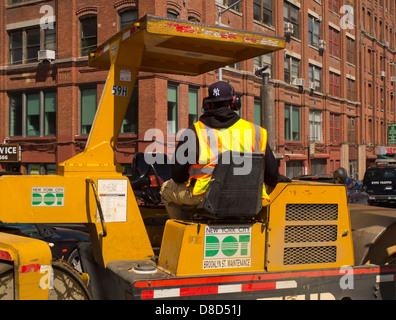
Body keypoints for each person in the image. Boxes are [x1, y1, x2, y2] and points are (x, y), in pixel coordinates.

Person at [160, 81, 279, 219]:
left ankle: (187, 230)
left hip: (206, 198)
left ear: (208, 105)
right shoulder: (257, 132)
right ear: (234, 103)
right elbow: (272, 177)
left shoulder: (194, 132)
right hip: (248, 197)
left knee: (165, 189)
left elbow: (178, 176)